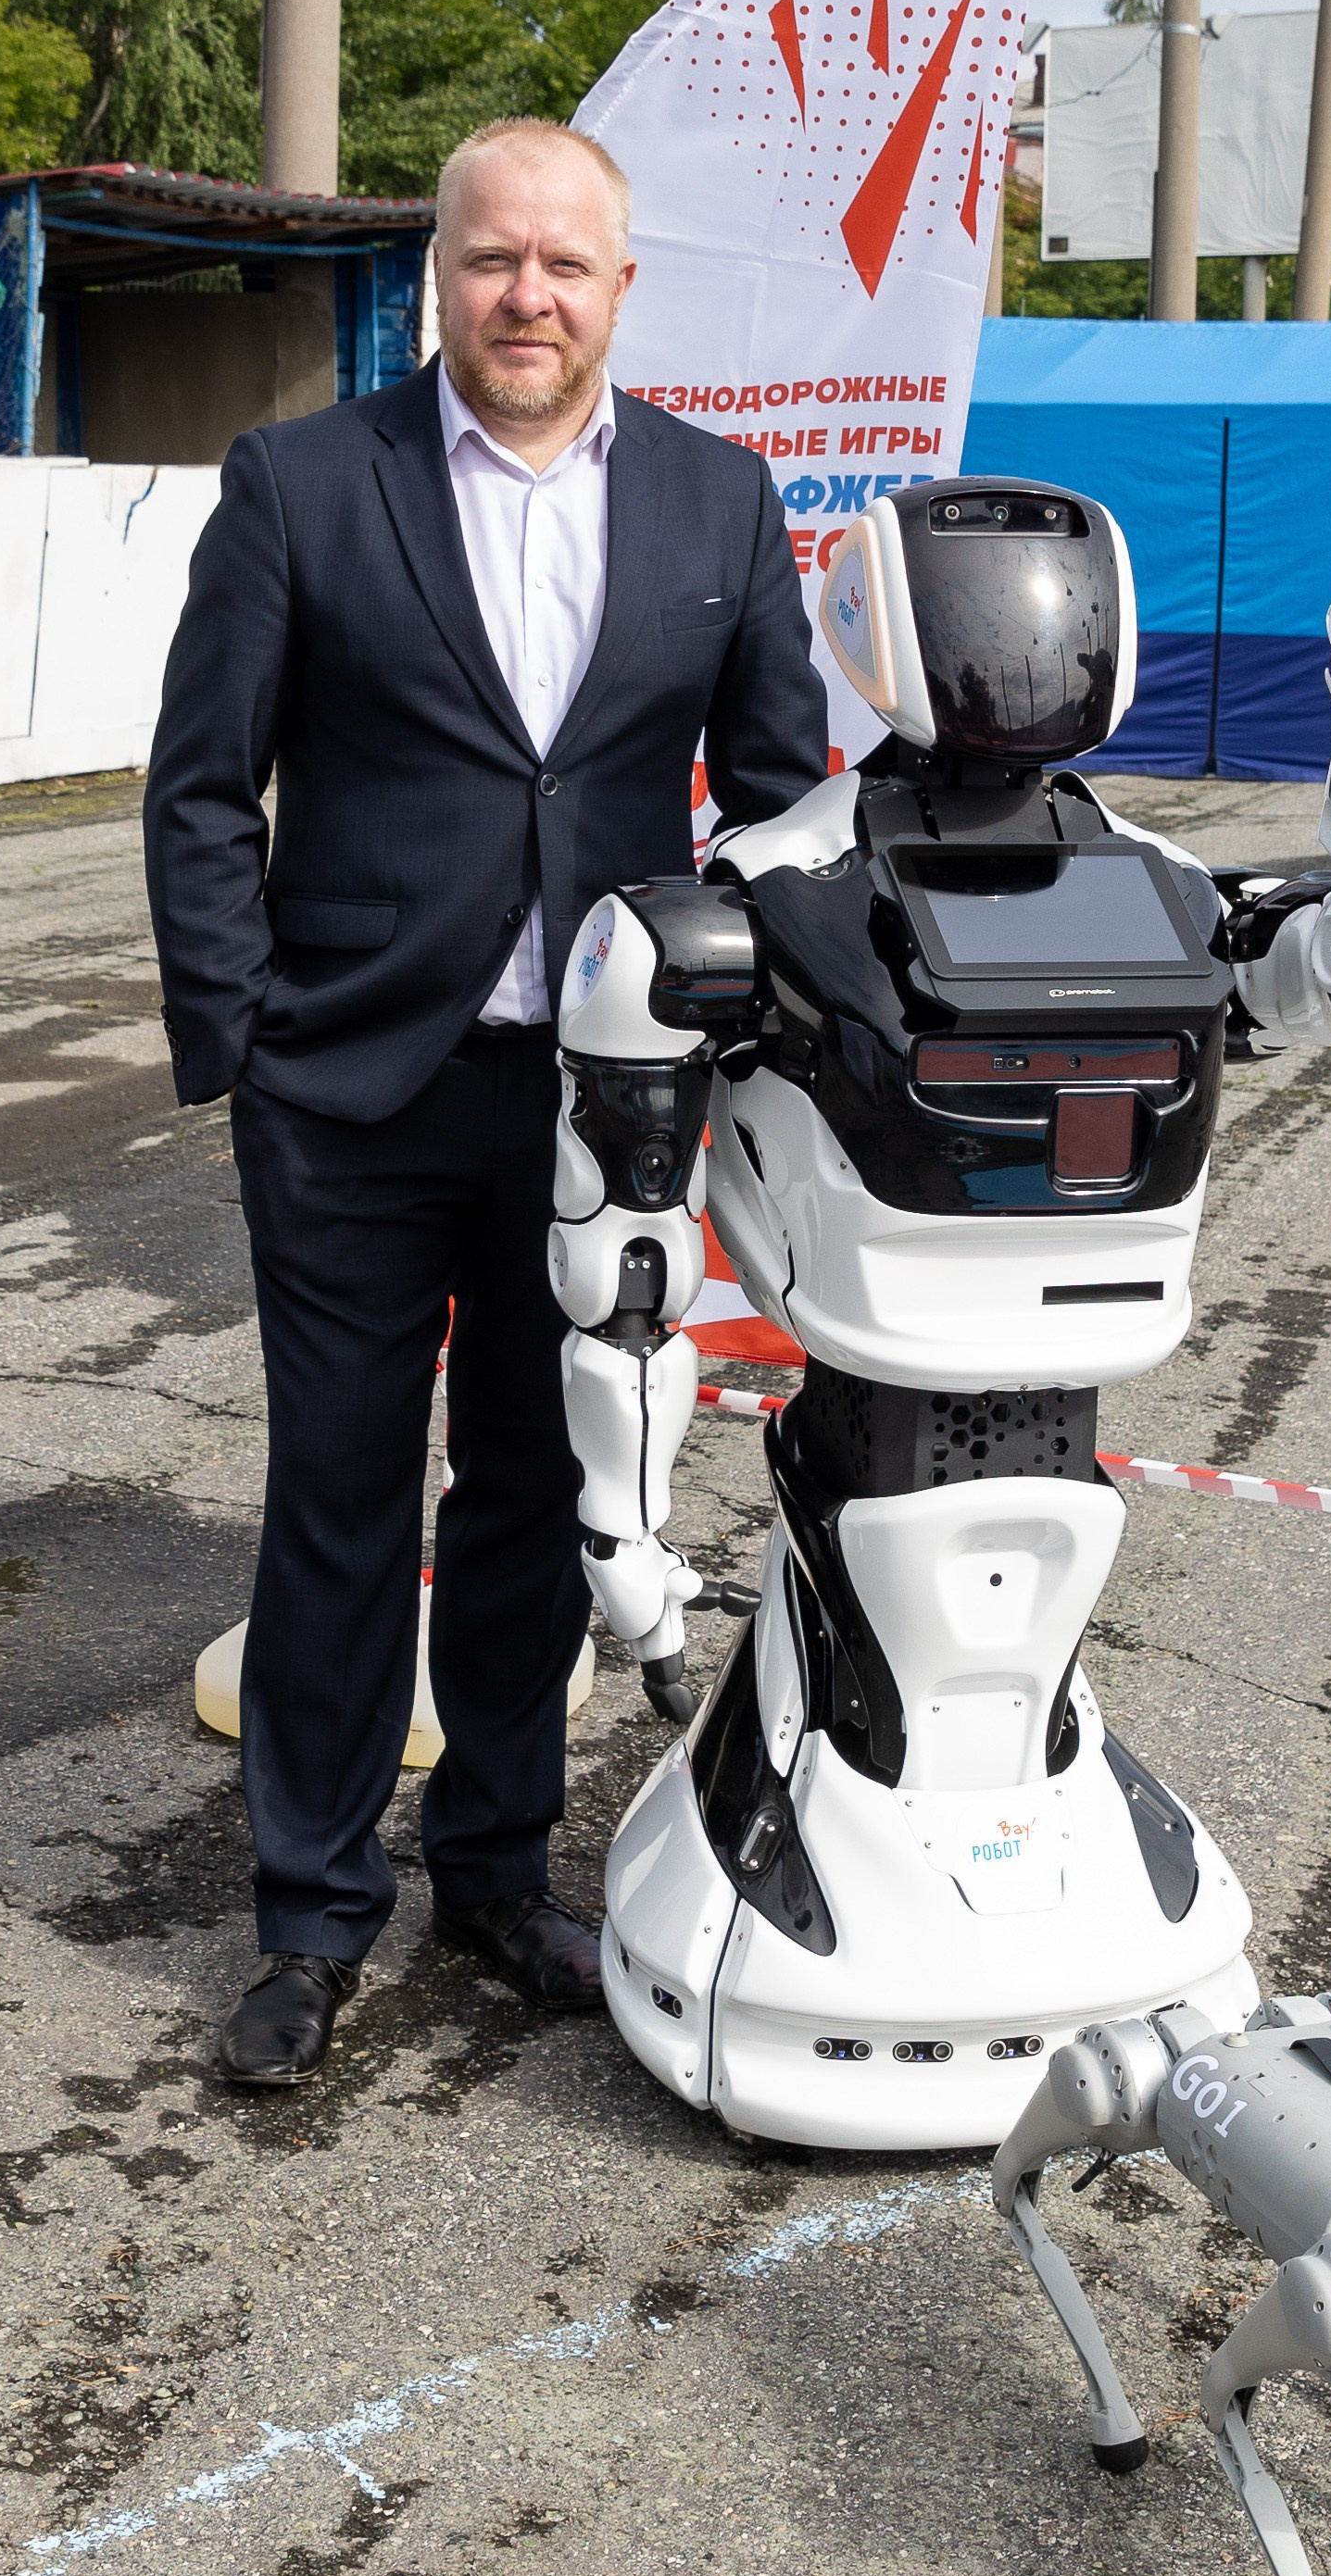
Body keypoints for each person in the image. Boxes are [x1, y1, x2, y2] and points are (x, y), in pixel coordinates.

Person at [144, 117, 831, 2084]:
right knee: (342, 1501)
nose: (525, 296)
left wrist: (763, 1039)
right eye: (490, 260)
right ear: (439, 273)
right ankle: (306, 1921)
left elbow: (778, 805)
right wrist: (247, 1040)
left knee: (540, 1494)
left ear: (624, 290)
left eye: (566, 265)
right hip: (352, 1089)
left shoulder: (718, 502)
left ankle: (495, 1870)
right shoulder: (300, 483)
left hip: (601, 1108)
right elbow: (201, 790)